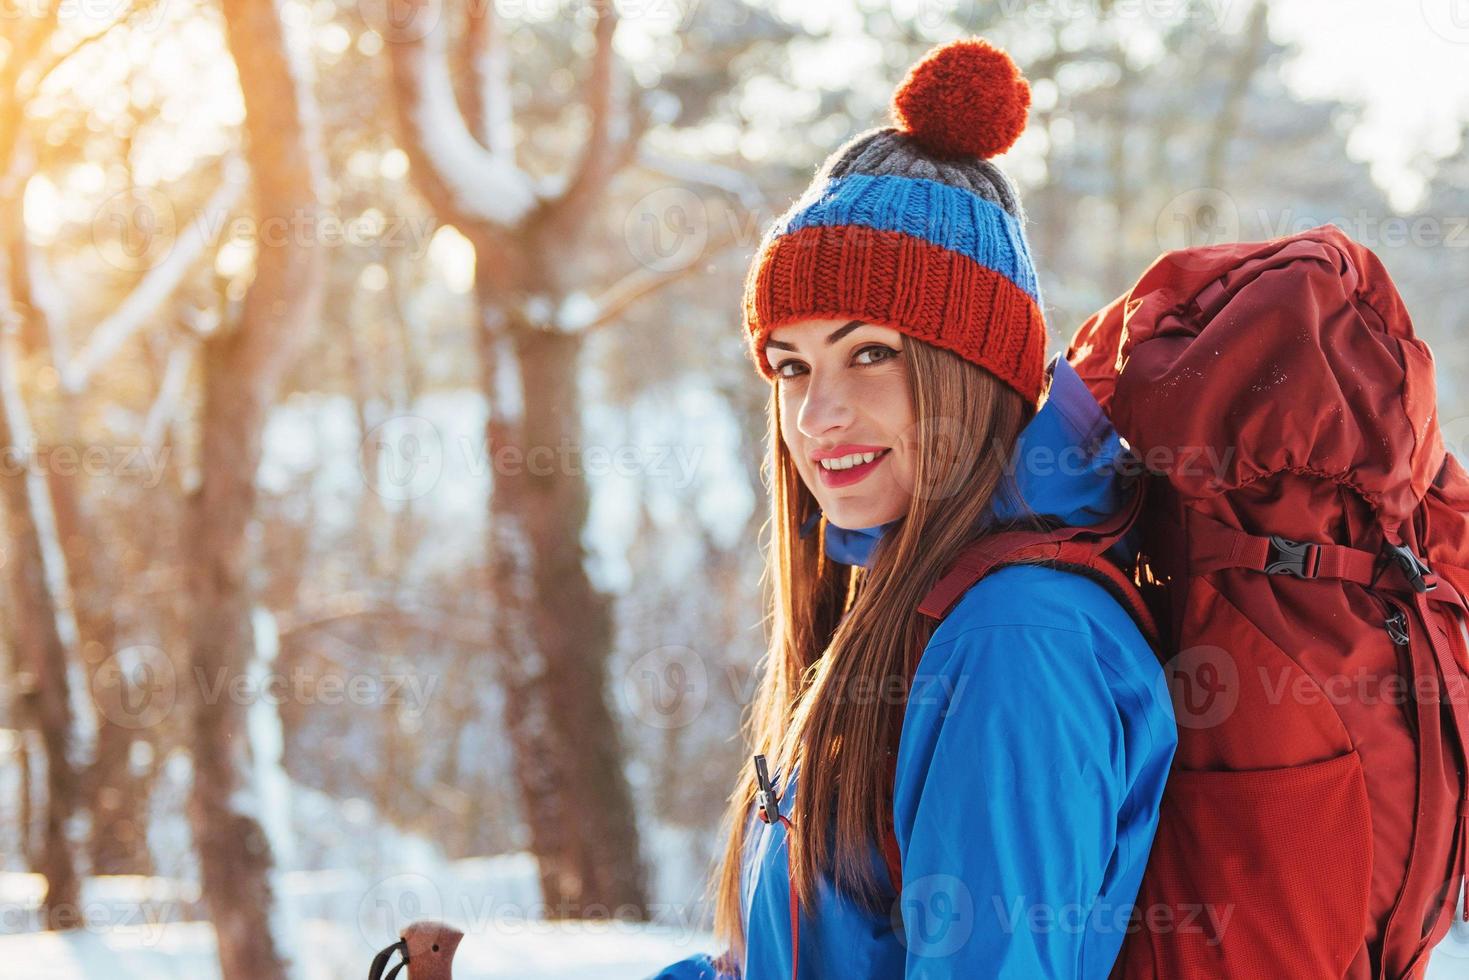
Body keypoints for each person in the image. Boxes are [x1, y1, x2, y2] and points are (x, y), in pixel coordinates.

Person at [652, 37, 1177, 979]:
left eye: (870, 354)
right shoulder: (911, 593)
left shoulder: (1015, 639)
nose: (816, 415)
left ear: (974, 371)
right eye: (791, 365)